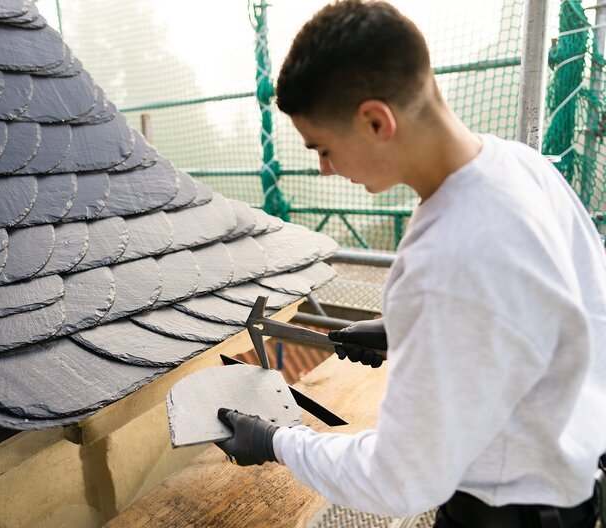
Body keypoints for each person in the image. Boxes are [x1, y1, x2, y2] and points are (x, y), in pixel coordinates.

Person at [215, 1, 606, 527]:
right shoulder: (523, 166)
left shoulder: (443, 260)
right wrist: (407, 332)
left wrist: (278, 442)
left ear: (376, 120)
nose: (324, 169)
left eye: (323, 148)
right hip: (574, 486)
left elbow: (401, 479)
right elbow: (575, 313)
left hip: (504, 510)